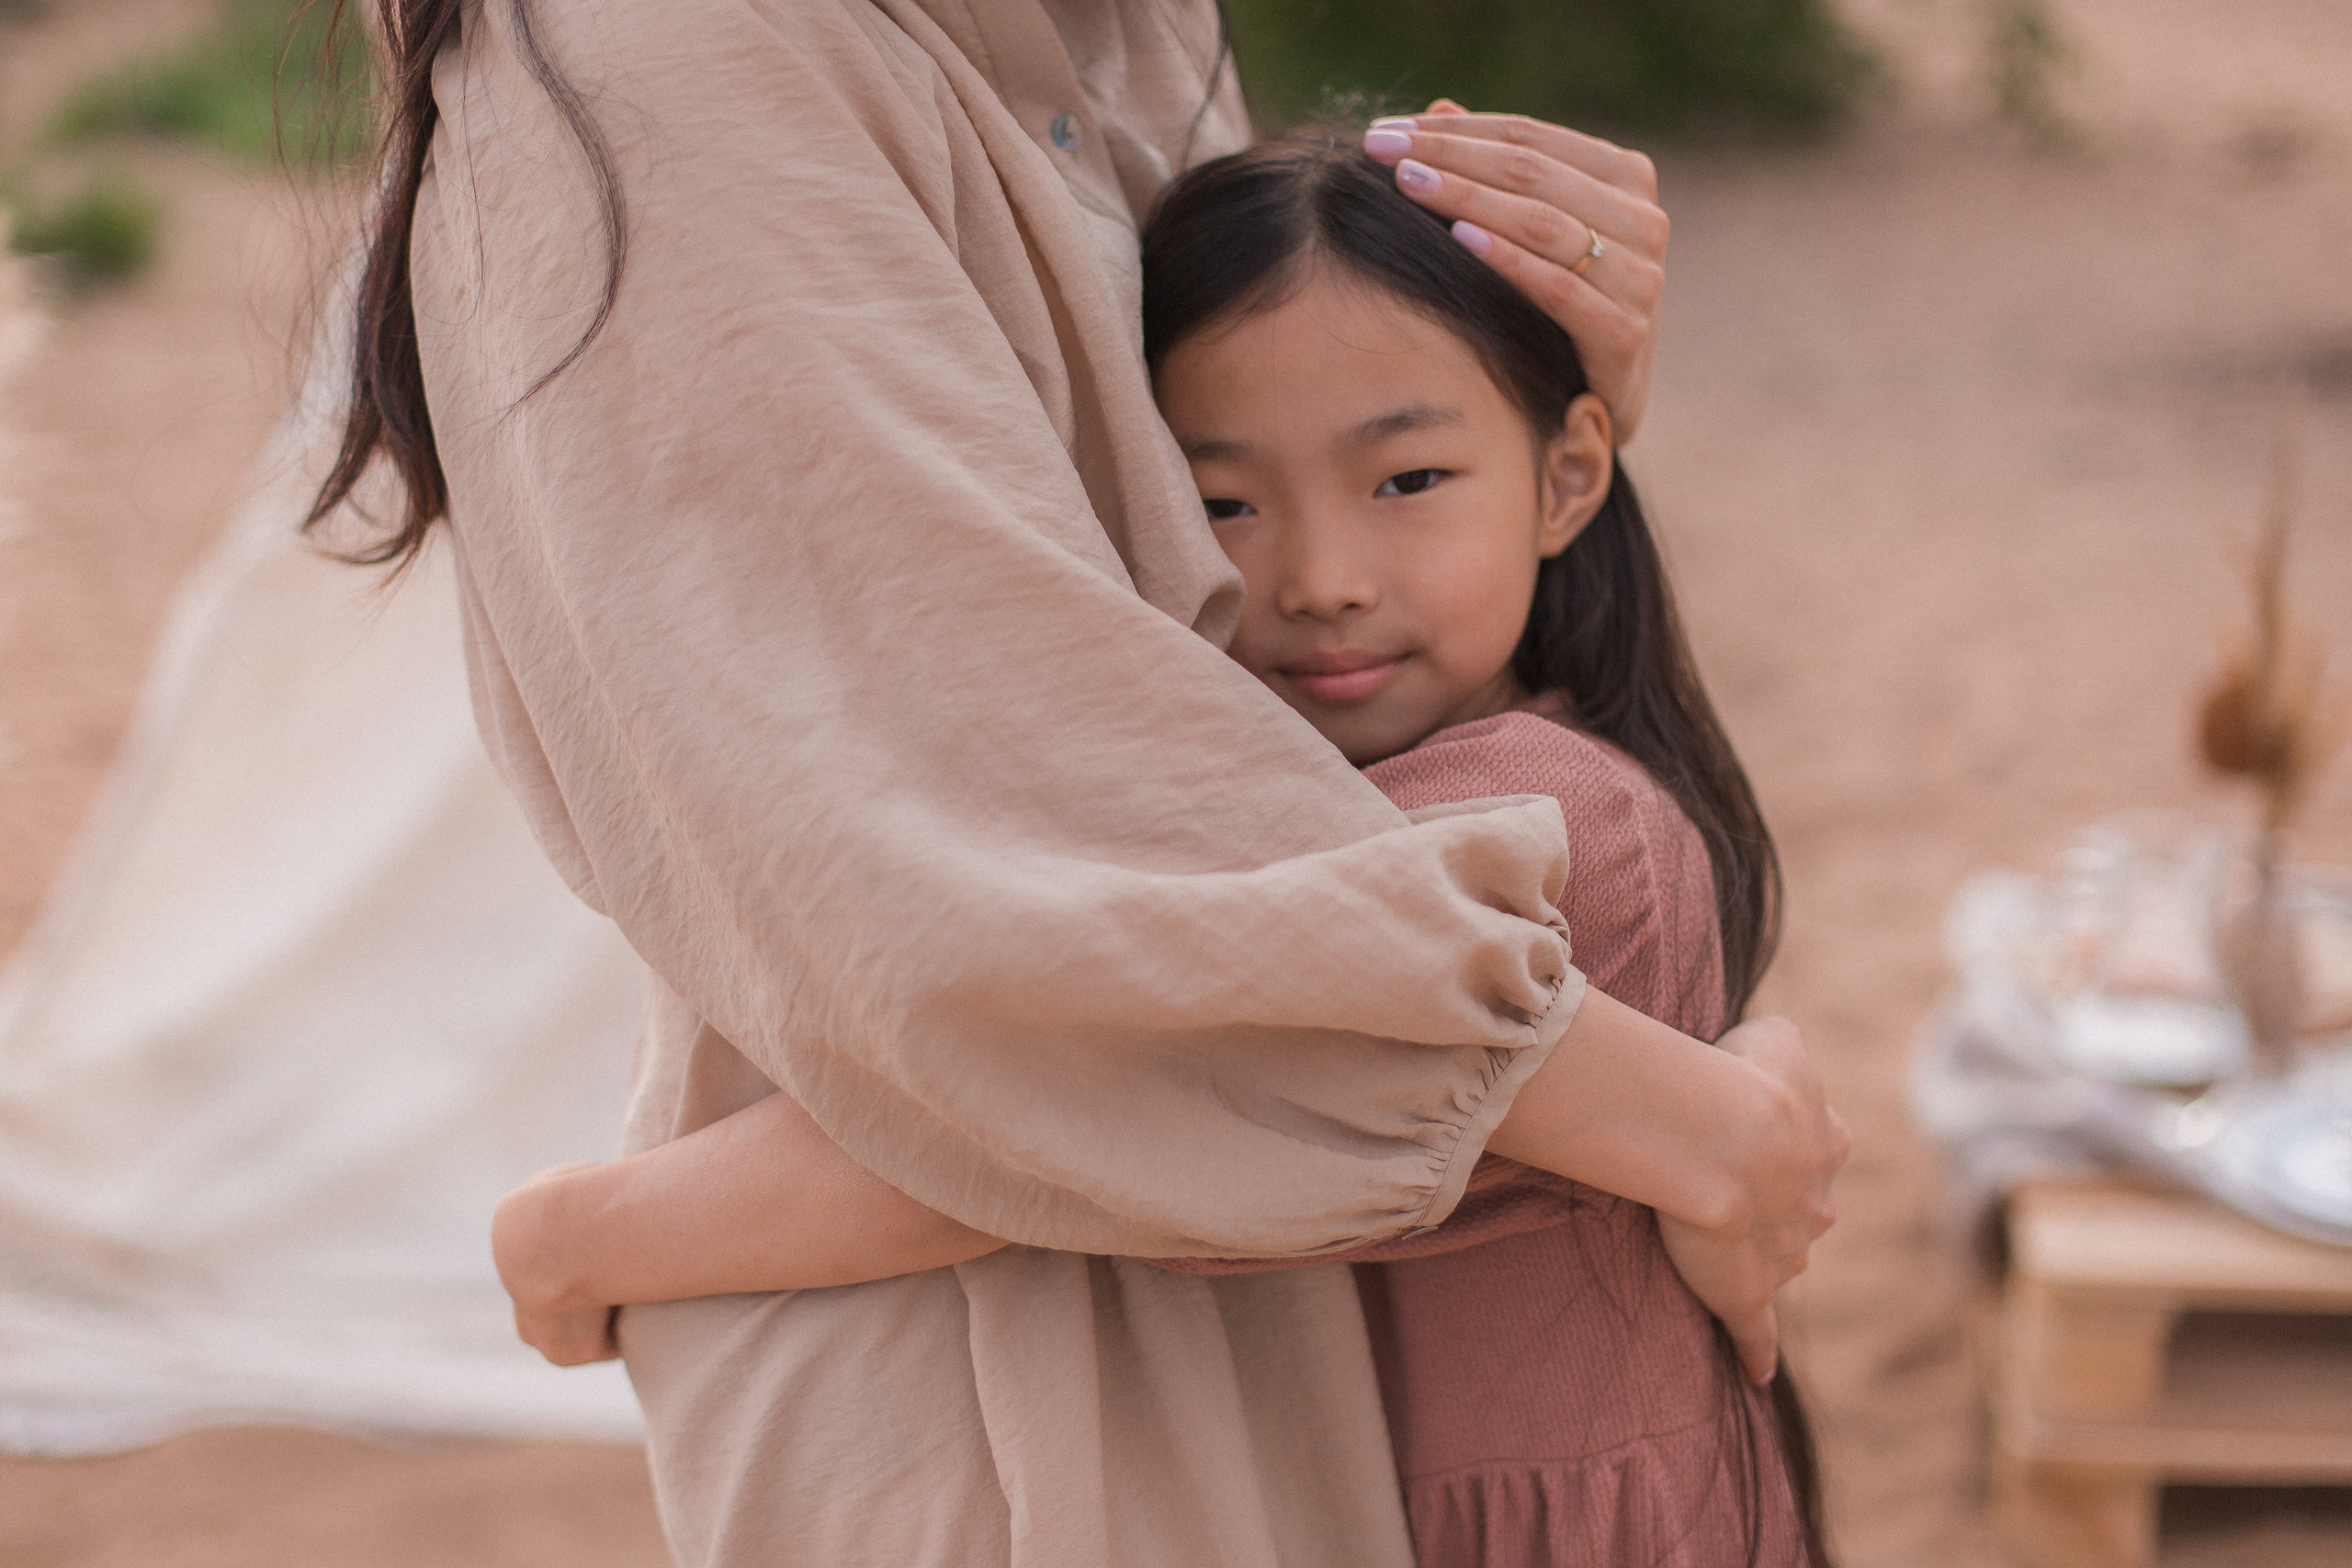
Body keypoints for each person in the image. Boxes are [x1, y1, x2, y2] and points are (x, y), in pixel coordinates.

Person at [318, 3, 1846, 1563]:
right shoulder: (684, 59)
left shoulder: (1123, 21)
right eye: (1228, 505)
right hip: (1007, 1405)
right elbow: (1069, 983)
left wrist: (585, 1239)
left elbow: (1193, 913)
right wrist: (1693, 1111)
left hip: (1232, 1376)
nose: (1314, 577)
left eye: (1409, 480)